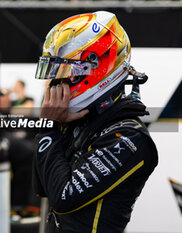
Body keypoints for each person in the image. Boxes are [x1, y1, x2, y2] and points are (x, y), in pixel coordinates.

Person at [32, 11, 158, 233]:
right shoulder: (86, 120)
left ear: (98, 68)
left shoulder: (130, 137)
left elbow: (64, 197)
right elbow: (43, 186)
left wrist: (49, 128)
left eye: (65, 73)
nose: (56, 85)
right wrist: (53, 126)